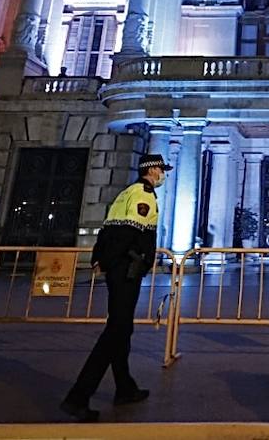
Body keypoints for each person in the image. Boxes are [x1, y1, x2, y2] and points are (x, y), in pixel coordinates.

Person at [60, 152, 172, 422]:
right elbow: (129, 235)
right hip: (126, 271)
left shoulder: (125, 194)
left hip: (116, 269)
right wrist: (136, 263)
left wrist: (101, 259)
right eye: (162, 170)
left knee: (122, 328)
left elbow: (107, 229)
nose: (164, 175)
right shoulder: (143, 195)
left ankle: (124, 386)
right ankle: (79, 396)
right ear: (153, 170)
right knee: (115, 332)